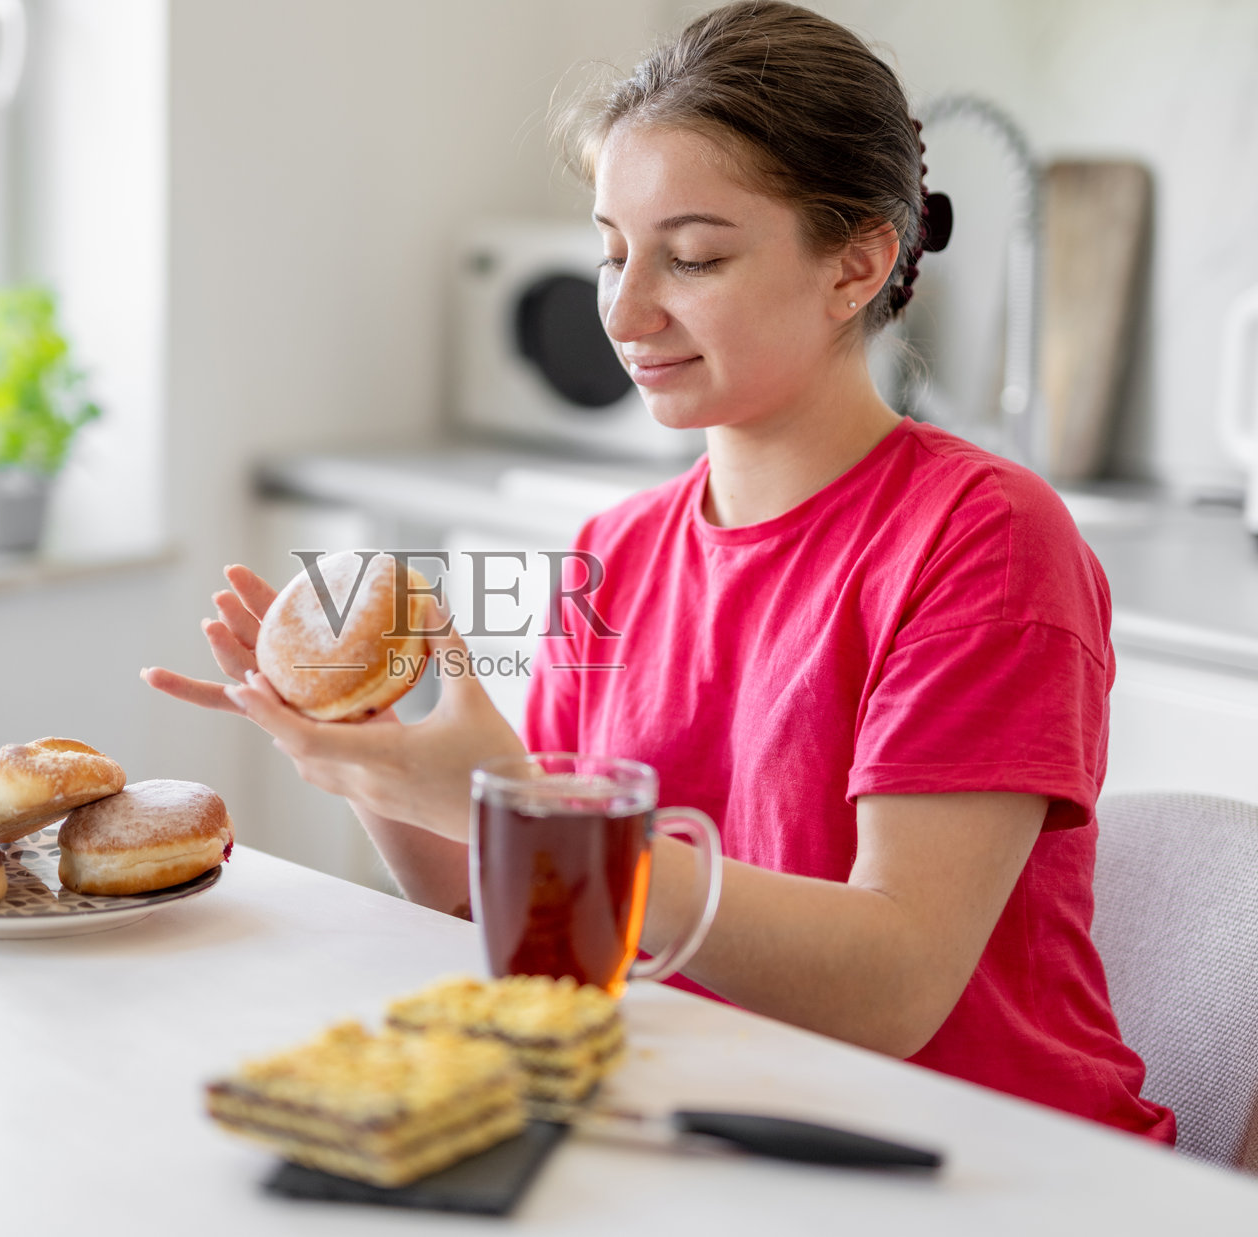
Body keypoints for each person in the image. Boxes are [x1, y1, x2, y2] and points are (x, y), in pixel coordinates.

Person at [144, 1, 1174, 1143]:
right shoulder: (618, 549)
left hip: (985, 1159)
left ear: (857, 263)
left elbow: (894, 986)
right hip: (700, 1119)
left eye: (693, 257)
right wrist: (371, 753)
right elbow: (513, 912)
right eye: (611, 251)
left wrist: (532, 816)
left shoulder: (983, 539)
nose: (626, 310)